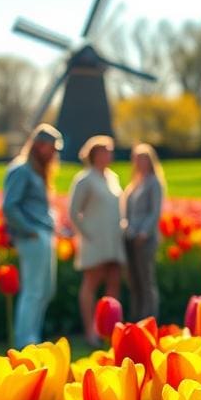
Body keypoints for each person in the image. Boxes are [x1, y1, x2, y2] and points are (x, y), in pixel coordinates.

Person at [2, 124, 62, 349]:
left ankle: (32, 336)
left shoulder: (38, 170)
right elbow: (10, 206)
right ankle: (25, 341)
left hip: (43, 234)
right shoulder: (22, 170)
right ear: (39, 145)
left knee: (46, 290)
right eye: (51, 147)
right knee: (33, 290)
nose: (54, 152)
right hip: (33, 237)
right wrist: (29, 230)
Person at [68, 135, 125, 344]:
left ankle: (110, 330)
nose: (109, 155)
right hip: (94, 240)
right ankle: (91, 331)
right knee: (91, 283)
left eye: (110, 151)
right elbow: (74, 212)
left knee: (114, 282)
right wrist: (87, 233)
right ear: (94, 154)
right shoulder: (85, 179)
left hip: (114, 239)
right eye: (105, 151)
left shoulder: (113, 177)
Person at [123, 143, 165, 321]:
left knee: (146, 279)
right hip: (130, 237)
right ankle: (135, 317)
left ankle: (148, 318)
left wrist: (143, 232)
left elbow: (154, 212)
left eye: (144, 159)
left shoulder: (154, 183)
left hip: (145, 239)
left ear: (150, 161)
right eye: (137, 159)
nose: (140, 162)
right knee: (134, 280)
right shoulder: (135, 183)